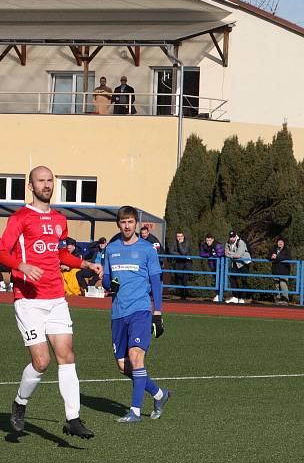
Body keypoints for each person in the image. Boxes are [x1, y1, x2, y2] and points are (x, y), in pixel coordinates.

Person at [0, 166, 101, 439]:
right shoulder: (20, 218)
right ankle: (20, 404)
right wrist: (21, 265)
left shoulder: (59, 219)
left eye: (50, 181)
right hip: (28, 300)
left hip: (56, 297)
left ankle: (73, 418)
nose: (46, 185)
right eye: (41, 181)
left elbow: (59, 255)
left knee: (66, 355)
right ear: (30, 186)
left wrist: (85, 262)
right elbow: (1, 251)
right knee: (42, 362)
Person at [103, 206, 170, 423]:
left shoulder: (148, 249)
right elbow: (106, 280)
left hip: (140, 310)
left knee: (135, 356)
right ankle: (160, 394)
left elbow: (156, 282)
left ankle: (135, 411)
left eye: (131, 222)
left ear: (136, 224)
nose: (127, 225)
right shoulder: (111, 249)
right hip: (118, 313)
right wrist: (108, 283)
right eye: (123, 222)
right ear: (119, 224)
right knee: (124, 366)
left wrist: (157, 312)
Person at [225, 230, 251, 304]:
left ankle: (242, 298)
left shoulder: (241, 242)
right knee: (232, 278)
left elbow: (238, 255)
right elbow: (225, 253)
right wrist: (232, 254)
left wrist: (230, 253)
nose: (232, 238)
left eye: (233, 237)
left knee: (244, 280)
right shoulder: (228, 243)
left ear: (236, 236)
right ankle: (235, 297)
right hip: (236, 262)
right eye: (230, 237)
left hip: (244, 262)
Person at [199, 234, 225, 302]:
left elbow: (220, 254)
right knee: (215, 280)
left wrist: (212, 255)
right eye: (207, 240)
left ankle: (220, 295)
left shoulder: (217, 245)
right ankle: (218, 295)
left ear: (213, 239)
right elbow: (201, 253)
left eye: (209, 240)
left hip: (220, 266)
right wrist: (210, 255)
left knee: (220, 280)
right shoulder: (204, 245)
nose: (208, 242)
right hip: (212, 265)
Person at [268, 237, 292, 304]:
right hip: (275, 270)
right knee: (276, 285)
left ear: (284, 243)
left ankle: (285, 299)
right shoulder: (273, 248)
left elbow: (289, 257)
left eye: (282, 242)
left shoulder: (287, 250)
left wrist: (277, 257)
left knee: (283, 284)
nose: (280, 243)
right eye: (279, 242)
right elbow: (268, 256)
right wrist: (271, 257)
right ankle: (277, 299)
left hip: (284, 271)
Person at [171, 231, 192, 299]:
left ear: (183, 236)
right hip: (178, 262)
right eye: (178, 236)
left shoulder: (187, 242)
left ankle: (185, 294)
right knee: (179, 278)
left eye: (180, 236)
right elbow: (171, 251)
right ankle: (181, 294)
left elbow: (184, 251)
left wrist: (179, 244)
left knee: (185, 279)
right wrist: (179, 255)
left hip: (186, 263)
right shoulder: (174, 242)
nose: (179, 238)